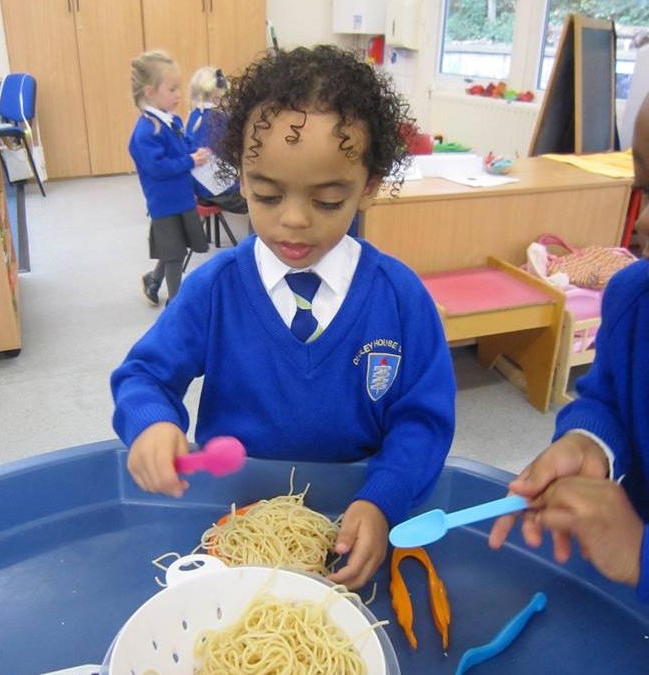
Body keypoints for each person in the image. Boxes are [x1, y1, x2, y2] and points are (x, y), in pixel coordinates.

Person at [112, 45, 456, 589]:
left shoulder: (400, 297)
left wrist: (384, 498)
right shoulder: (215, 288)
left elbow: (424, 418)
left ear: (368, 186)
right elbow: (144, 375)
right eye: (267, 195)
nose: (293, 221)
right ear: (241, 178)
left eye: (327, 201)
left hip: (352, 522)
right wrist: (151, 421)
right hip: (232, 522)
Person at [488, 91, 649, 600]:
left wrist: (640, 553)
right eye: (645, 187)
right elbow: (609, 401)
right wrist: (590, 443)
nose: (641, 225)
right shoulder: (633, 298)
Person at [129, 50, 211, 307]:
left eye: (179, 88)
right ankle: (176, 303)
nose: (178, 95)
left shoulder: (172, 120)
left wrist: (196, 152)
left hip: (182, 197)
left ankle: (153, 279)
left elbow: (184, 144)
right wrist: (190, 161)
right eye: (172, 89)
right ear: (150, 92)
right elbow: (159, 167)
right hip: (165, 203)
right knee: (174, 252)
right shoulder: (145, 131)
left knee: (175, 246)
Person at [185, 66, 248, 214]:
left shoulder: (193, 116)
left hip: (197, 186)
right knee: (261, 196)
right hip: (219, 191)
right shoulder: (221, 117)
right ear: (217, 96)